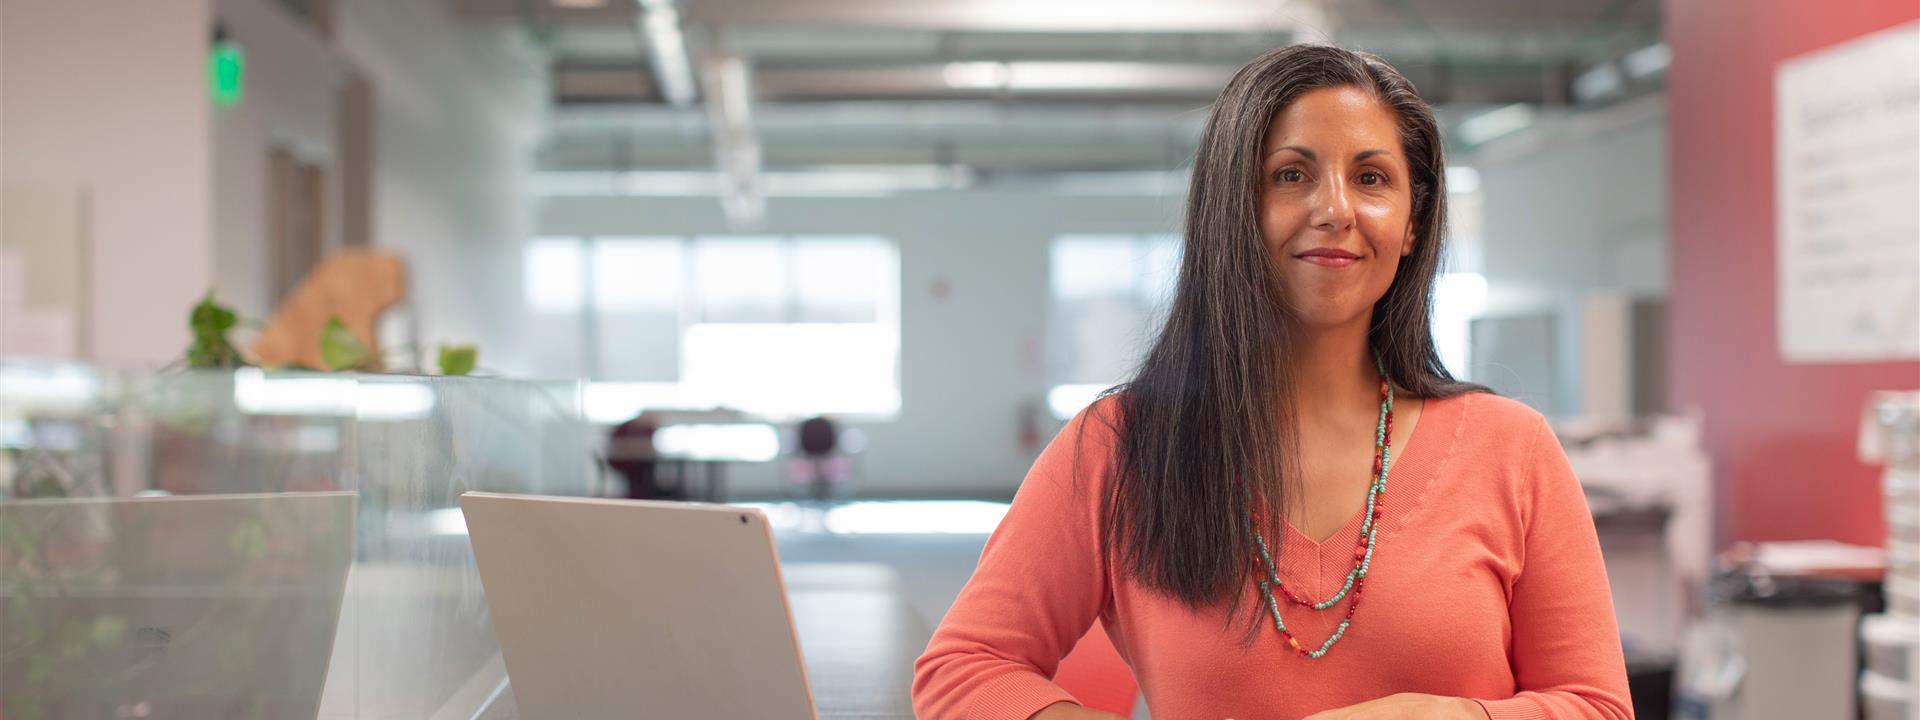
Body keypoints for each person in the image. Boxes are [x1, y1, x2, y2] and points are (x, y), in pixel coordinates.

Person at [913, 45, 1632, 720]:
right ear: (1235, 212)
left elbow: (1599, 705)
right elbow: (963, 667)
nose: (1335, 210)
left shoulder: (1513, 449)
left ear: (1413, 223)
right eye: (1291, 174)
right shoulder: (1120, 447)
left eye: (1372, 178)